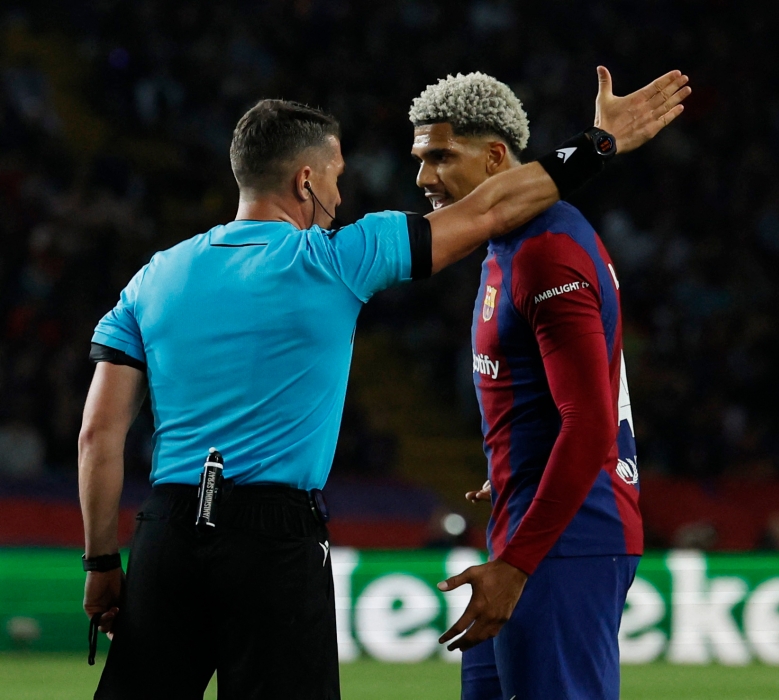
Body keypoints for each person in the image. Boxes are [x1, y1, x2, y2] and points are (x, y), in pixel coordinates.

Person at [79, 66, 687, 700]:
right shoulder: (335, 259)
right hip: (274, 538)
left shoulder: (152, 278)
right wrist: (597, 143)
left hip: (168, 533)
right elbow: (494, 205)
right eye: (338, 178)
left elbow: (98, 433)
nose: (342, 198)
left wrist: (100, 564)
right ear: (306, 179)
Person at [410, 69, 690, 700]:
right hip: (530, 528)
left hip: (564, 544)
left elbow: (590, 424)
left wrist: (516, 564)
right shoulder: (502, 248)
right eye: (420, 159)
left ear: (495, 157)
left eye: (439, 156)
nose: (424, 178)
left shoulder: (546, 251)